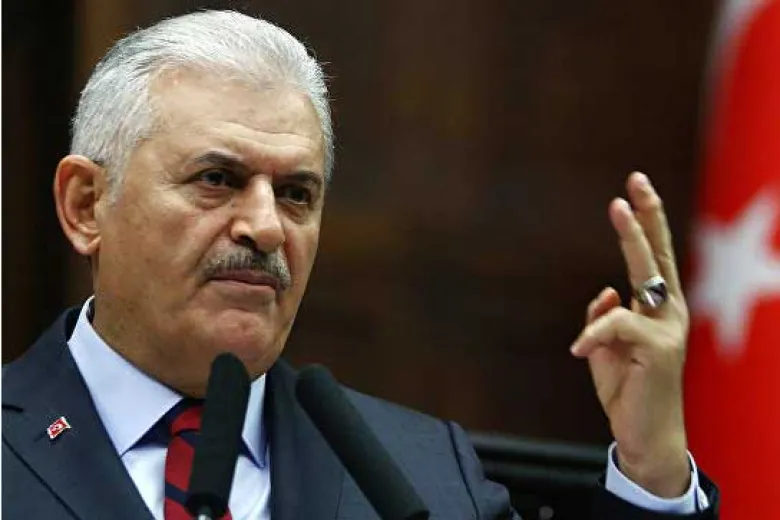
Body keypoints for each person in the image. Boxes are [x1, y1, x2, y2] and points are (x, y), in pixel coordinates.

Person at [2, 10, 719, 519]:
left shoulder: (418, 471)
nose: (266, 227)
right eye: (216, 179)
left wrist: (651, 467)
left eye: (296, 193)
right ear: (87, 205)